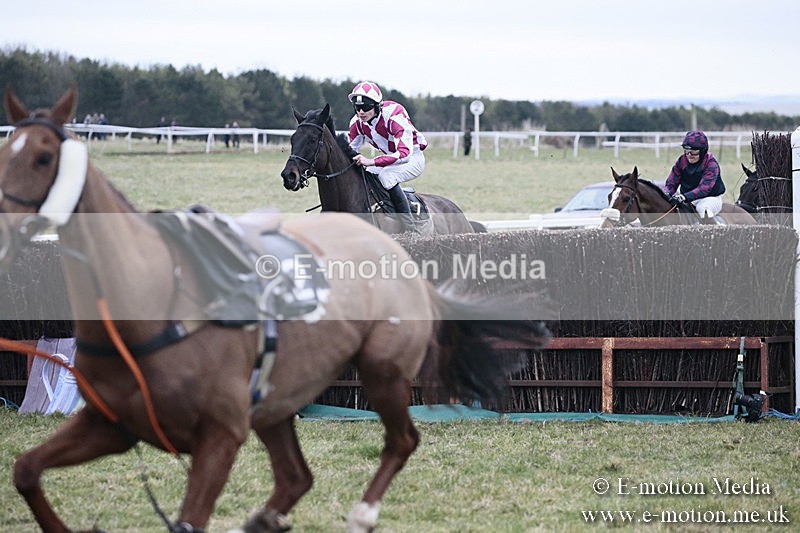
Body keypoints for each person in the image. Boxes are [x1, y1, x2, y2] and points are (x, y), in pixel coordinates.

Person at [347, 81, 426, 234]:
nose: (361, 112)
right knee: (363, 174)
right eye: (357, 108)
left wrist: (371, 161)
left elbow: (404, 154)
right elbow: (350, 149)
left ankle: (412, 229)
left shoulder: (395, 114)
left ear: (377, 106)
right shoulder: (356, 123)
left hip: (413, 157)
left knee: (387, 176)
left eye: (366, 107)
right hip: (390, 159)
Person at [663, 131, 726, 223]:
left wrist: (684, 197)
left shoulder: (711, 163)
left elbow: (704, 188)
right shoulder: (681, 161)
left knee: (702, 208)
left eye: (694, 152)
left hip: (710, 198)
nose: (689, 155)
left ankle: (717, 232)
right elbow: (671, 183)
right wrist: (666, 193)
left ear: (703, 151)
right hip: (687, 198)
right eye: (687, 151)